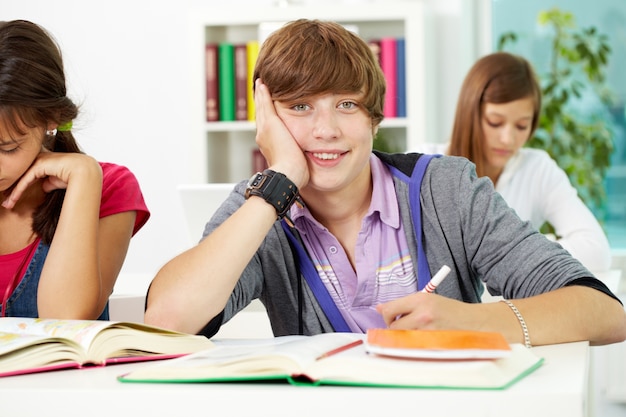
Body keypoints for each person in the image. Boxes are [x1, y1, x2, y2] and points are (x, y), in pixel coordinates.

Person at [144, 19, 625, 346]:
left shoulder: (447, 190)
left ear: (375, 118)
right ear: (267, 121)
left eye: (346, 105)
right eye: (299, 107)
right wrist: (278, 184)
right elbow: (166, 322)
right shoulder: (261, 209)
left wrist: (473, 322)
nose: (326, 129)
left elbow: (604, 312)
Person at [0, 20, 150, 319]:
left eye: (8, 148)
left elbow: (67, 322)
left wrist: (84, 177)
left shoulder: (110, 186)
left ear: (52, 119)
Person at [448, 51, 611, 273]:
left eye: (522, 126)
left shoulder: (538, 168)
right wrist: (531, 248)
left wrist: (513, 249)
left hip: (514, 307)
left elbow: (596, 253)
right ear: (469, 114)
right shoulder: (425, 163)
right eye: (495, 122)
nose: (508, 139)